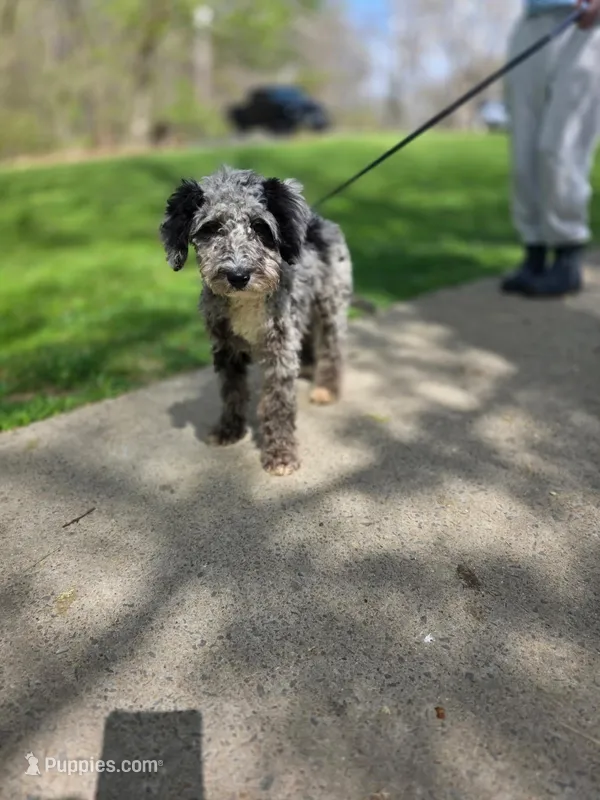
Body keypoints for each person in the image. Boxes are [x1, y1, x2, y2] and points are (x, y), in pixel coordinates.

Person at [501, 0, 600, 296]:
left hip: (583, 21)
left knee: (559, 149)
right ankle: (534, 252)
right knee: (523, 154)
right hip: (531, 20)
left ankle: (567, 257)